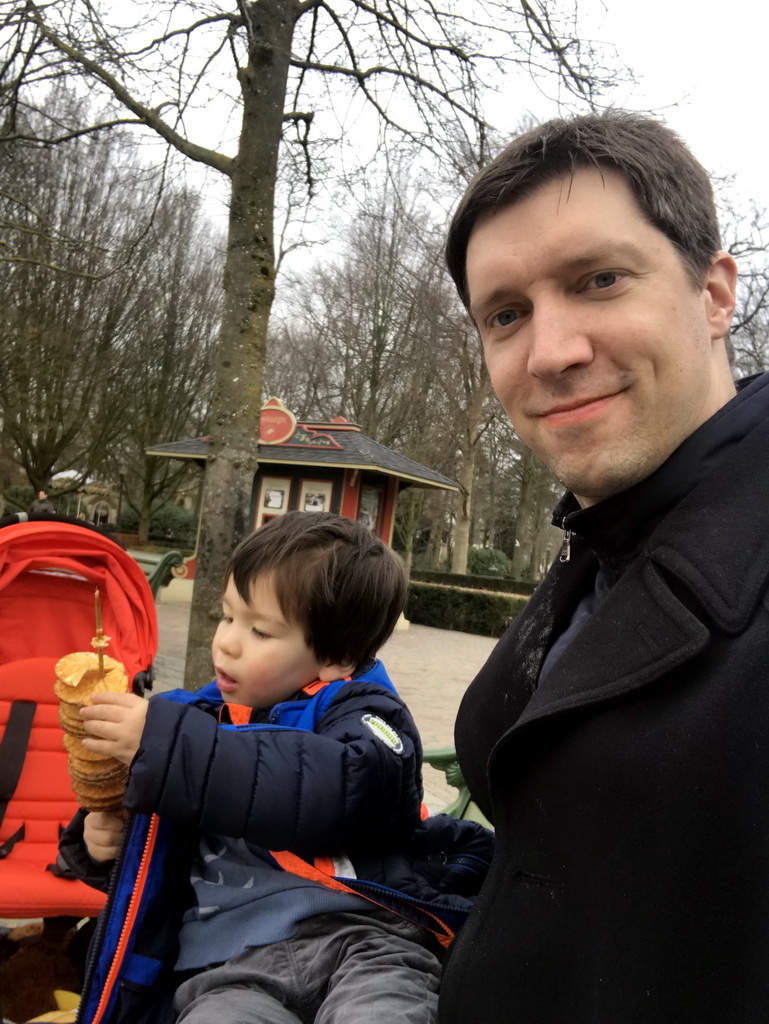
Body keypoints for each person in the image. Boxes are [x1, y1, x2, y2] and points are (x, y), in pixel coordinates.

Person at [437, 111, 769, 1024]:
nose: (550, 353)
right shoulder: (612, 536)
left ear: (712, 294)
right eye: (505, 315)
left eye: (600, 280)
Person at [59, 511, 492, 1024]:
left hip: (362, 943)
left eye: (261, 631)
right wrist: (98, 843)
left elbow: (336, 789)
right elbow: (158, 862)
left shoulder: (367, 717)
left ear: (338, 657)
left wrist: (169, 747)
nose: (227, 641)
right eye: (227, 616)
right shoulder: (194, 720)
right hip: (230, 965)